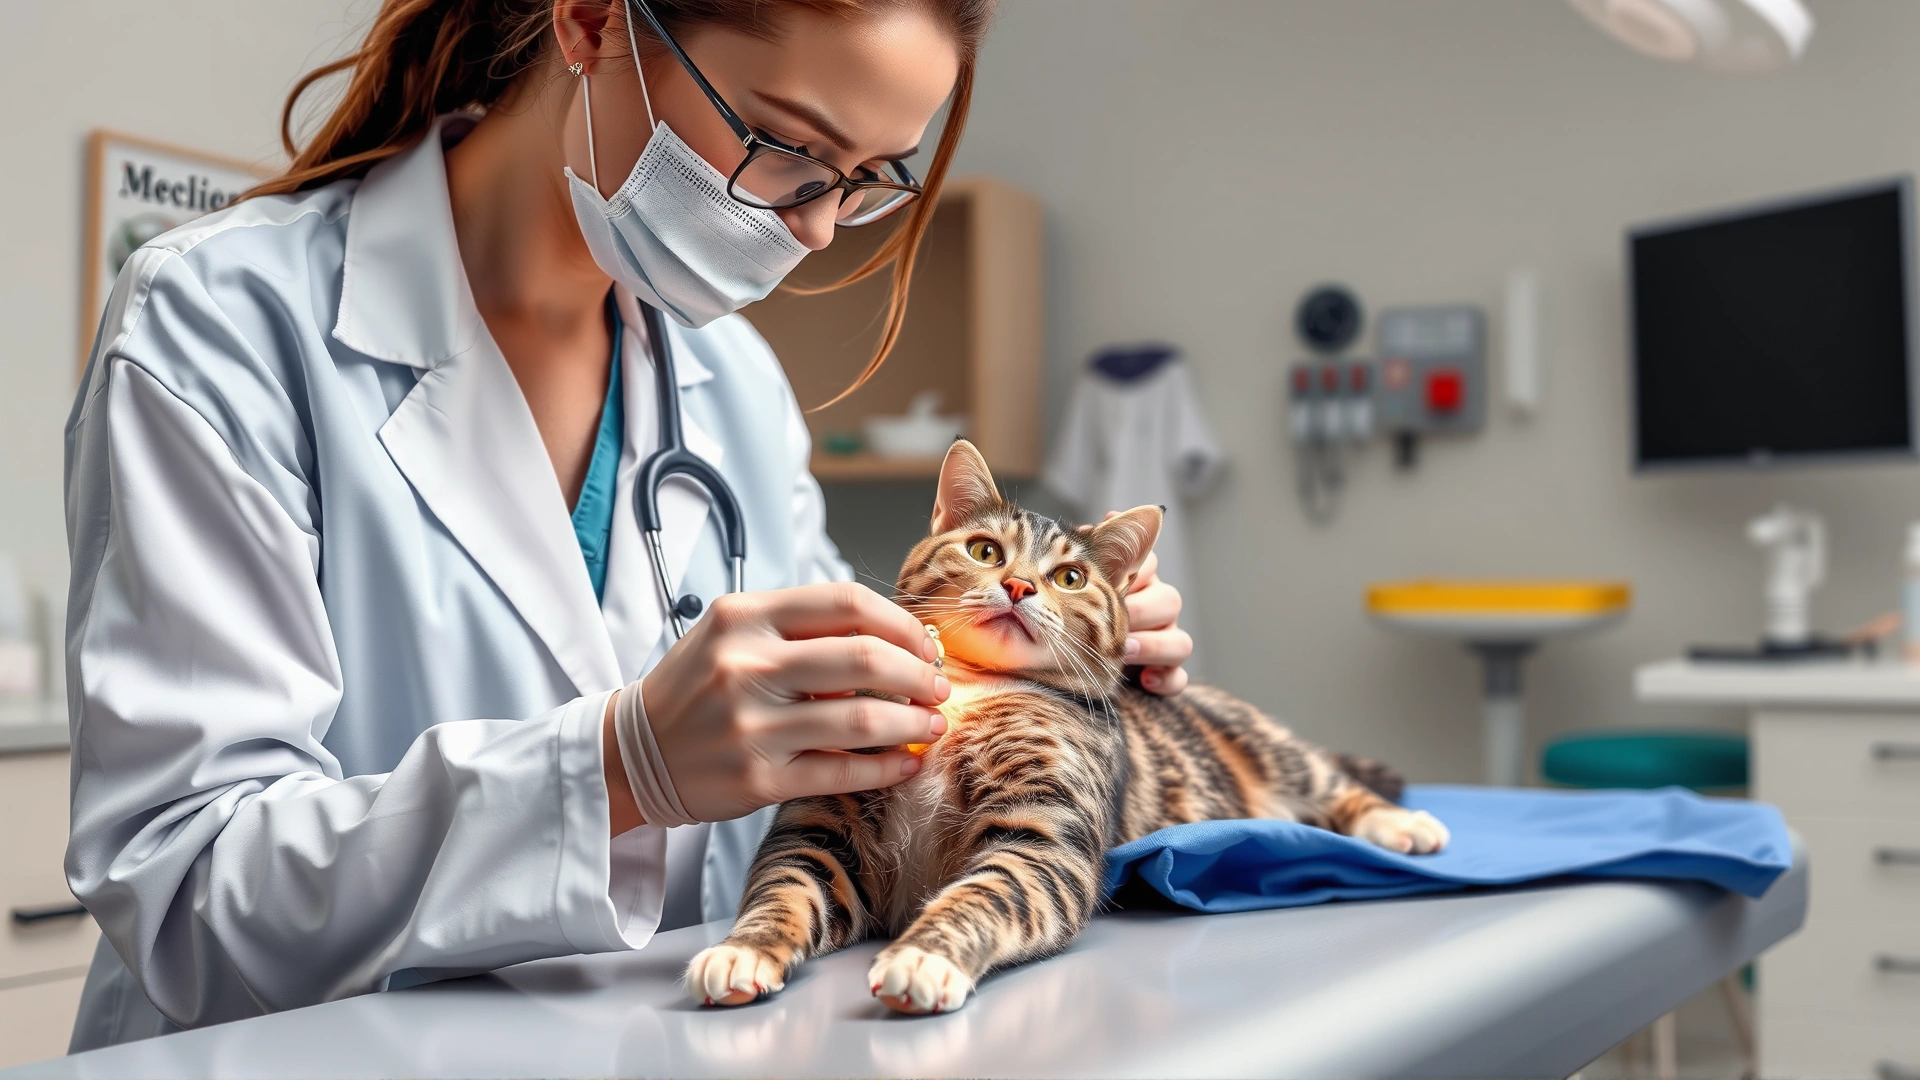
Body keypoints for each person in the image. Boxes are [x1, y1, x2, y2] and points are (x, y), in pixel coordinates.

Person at [61, 0, 1193, 1051]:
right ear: (594, 21)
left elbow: (845, 765)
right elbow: (184, 895)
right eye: (784, 142)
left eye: (866, 179)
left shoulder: (730, 380)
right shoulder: (220, 322)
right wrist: (617, 768)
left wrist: (1043, 671)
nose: (814, 227)